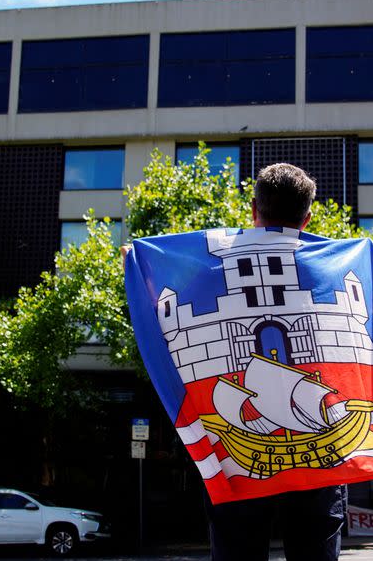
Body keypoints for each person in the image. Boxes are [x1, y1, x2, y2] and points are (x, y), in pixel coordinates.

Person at [121, 163, 345, 561]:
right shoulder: (332, 266)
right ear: (308, 218)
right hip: (320, 453)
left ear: (253, 212)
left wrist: (141, 268)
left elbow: (168, 310)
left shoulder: (214, 271)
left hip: (238, 454)